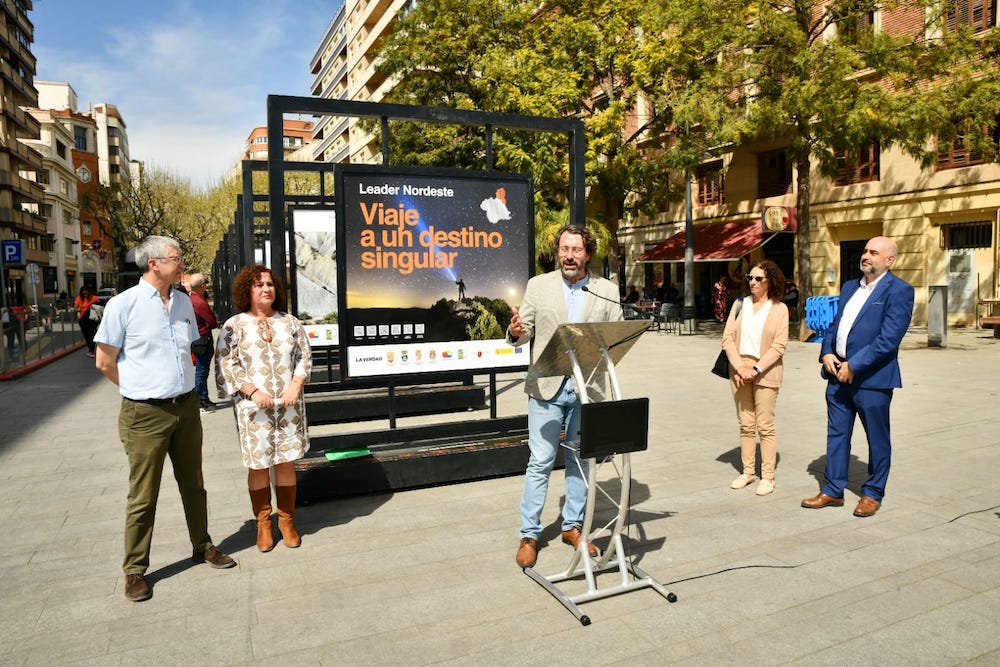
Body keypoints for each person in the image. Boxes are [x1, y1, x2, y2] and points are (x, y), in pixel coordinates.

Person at [94, 236, 236, 603]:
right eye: (176, 258)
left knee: (194, 483)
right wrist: (139, 389)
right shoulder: (123, 305)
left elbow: (186, 349)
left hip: (185, 407)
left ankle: (202, 545)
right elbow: (104, 362)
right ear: (154, 263)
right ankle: (135, 569)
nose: (182, 263)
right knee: (143, 494)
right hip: (145, 414)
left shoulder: (184, 301)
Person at [506, 224, 623, 568]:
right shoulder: (538, 286)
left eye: (576, 250)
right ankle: (529, 534)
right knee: (540, 461)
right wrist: (515, 332)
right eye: (564, 249)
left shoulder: (607, 290)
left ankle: (573, 526)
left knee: (580, 461)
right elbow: (523, 332)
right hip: (547, 387)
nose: (569, 256)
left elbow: (616, 338)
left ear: (588, 254)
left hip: (588, 389)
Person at [802, 236, 914, 518]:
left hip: (872, 380)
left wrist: (854, 365)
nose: (866, 256)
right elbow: (835, 326)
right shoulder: (850, 286)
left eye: (874, 252)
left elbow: (889, 339)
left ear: (889, 260)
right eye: (865, 251)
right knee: (837, 435)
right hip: (836, 374)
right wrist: (827, 352)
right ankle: (833, 490)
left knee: (877, 438)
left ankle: (873, 493)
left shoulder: (899, 291)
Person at [215, 264, 312, 552]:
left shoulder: (291, 323)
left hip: (289, 407)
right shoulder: (234, 325)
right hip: (253, 409)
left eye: (269, 284)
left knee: (286, 462)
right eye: (259, 285)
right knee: (258, 466)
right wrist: (253, 391)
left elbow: (304, 357)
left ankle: (287, 521)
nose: (266, 289)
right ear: (247, 290)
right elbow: (226, 363)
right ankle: (263, 524)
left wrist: (295, 385)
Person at [720, 259, 789, 496]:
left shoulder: (779, 309)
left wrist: (756, 369)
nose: (753, 282)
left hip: (766, 371)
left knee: (765, 426)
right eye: (750, 278)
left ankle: (768, 476)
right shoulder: (740, 304)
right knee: (746, 424)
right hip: (739, 370)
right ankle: (748, 472)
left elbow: (779, 346)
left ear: (771, 281)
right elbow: (727, 338)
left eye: (759, 278)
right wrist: (740, 367)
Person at [187, 273, 219, 412]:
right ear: (202, 286)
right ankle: (200, 399)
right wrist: (207, 323)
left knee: (201, 370)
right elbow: (213, 322)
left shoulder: (189, 299)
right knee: (202, 371)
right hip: (203, 340)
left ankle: (204, 397)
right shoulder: (199, 302)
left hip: (196, 339)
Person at [74, 286, 101, 357]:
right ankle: (90, 349)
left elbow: (99, 307)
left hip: (92, 319)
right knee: (86, 335)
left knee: (92, 334)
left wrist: (93, 308)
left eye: (86, 293)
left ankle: (91, 350)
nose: (85, 295)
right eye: (83, 294)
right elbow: (75, 308)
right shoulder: (79, 298)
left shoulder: (94, 298)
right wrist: (82, 310)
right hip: (83, 319)